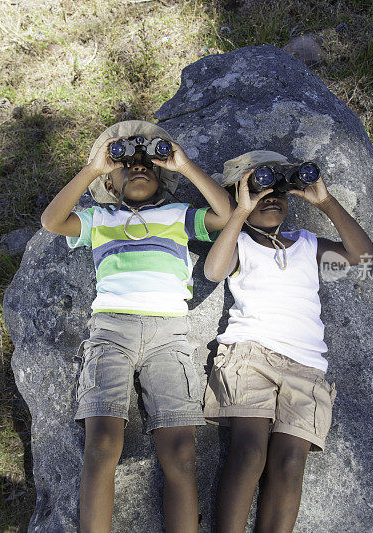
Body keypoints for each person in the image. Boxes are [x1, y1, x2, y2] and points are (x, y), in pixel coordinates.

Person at [40, 120, 233, 533]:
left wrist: (185, 165)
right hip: (111, 330)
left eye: (148, 162)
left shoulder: (178, 214)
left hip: (170, 335)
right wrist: (92, 169)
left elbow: (228, 215)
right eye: (125, 163)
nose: (138, 167)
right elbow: (52, 222)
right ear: (108, 183)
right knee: (101, 448)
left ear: (162, 176)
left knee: (181, 453)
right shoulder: (98, 218)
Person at [202, 151, 373, 533]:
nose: (273, 196)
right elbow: (214, 270)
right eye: (260, 189)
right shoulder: (241, 243)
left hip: (306, 368)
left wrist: (326, 202)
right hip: (250, 355)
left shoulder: (307, 243)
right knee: (248, 453)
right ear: (240, 197)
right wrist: (238, 214)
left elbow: (363, 257)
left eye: (280, 189)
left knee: (290, 463)